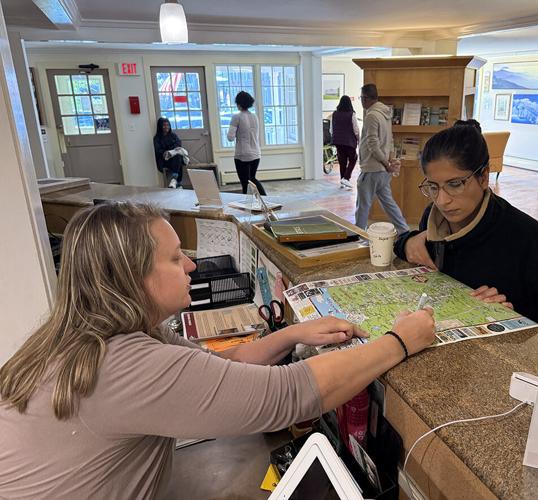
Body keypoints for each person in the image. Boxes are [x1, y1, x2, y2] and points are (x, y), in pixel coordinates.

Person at [0, 202, 435, 498]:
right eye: (175, 259)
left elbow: (216, 365)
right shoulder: (125, 363)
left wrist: (291, 336)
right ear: (134, 278)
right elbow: (289, 395)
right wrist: (398, 342)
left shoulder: (89, 334)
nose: (191, 265)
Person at [394, 120, 538, 329]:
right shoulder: (434, 216)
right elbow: (406, 245)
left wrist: (512, 314)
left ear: (484, 177)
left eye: (455, 184)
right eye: (433, 187)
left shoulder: (529, 238)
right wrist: (407, 243)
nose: (442, 200)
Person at [355, 84, 409, 235]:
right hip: (383, 170)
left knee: (363, 206)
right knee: (388, 203)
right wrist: (389, 161)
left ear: (365, 98)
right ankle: (404, 231)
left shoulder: (371, 115)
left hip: (372, 168)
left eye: (361, 98)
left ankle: (358, 236)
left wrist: (387, 164)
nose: (361, 101)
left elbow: (373, 144)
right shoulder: (385, 113)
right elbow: (390, 140)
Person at [227, 91, 266, 195]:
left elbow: (230, 137)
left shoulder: (236, 117)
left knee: (245, 183)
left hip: (242, 155)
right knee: (252, 179)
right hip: (256, 153)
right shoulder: (255, 116)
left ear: (239, 103)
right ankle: (265, 200)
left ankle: (249, 205)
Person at [331, 95, 360, 190]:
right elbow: (356, 129)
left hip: (338, 141)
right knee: (353, 158)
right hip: (349, 141)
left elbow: (332, 128)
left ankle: (342, 181)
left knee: (342, 161)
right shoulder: (352, 114)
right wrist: (359, 139)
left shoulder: (335, 114)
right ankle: (346, 178)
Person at [153, 117, 184, 189]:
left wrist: (172, 150)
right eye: (164, 125)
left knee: (178, 156)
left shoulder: (173, 135)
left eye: (168, 125)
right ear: (160, 126)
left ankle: (174, 179)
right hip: (164, 160)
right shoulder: (157, 138)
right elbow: (158, 150)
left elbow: (178, 144)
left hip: (175, 158)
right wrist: (166, 152)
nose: (166, 127)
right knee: (178, 160)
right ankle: (178, 183)